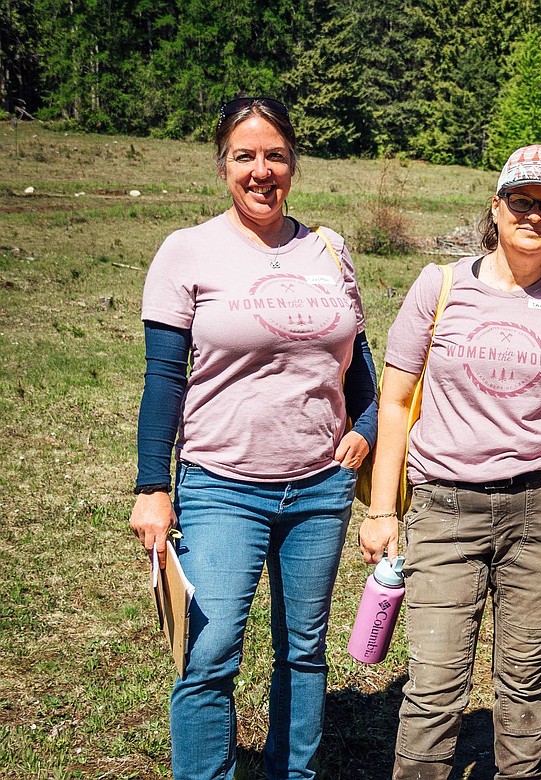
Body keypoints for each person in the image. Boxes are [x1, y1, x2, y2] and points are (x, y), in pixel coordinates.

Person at [129, 96, 377, 779]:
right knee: (208, 654)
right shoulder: (188, 251)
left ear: (293, 162)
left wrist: (366, 425)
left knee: (302, 649)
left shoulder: (328, 248)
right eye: (245, 156)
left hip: (320, 488)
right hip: (221, 485)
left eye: (274, 155)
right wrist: (153, 487)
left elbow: (359, 359)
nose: (261, 171)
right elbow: (162, 378)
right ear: (223, 167)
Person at [360, 144, 541, 780]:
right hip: (445, 508)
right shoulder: (439, 286)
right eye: (521, 202)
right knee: (435, 685)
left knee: (524, 683)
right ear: (496, 208)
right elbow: (393, 403)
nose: (534, 216)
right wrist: (383, 510)